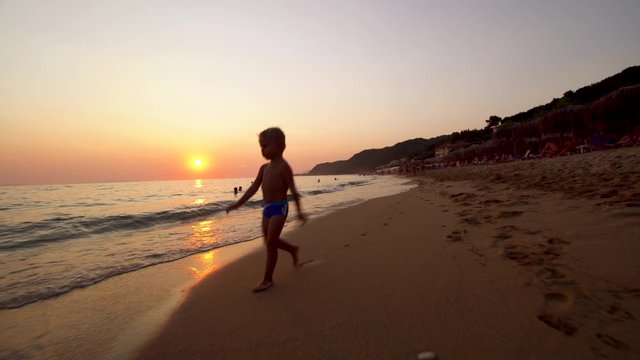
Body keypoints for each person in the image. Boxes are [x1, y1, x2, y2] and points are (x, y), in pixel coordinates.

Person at [226, 127, 308, 292]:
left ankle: (268, 279)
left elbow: (293, 191)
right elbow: (253, 188)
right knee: (270, 242)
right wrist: (238, 203)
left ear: (280, 146)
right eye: (261, 147)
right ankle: (292, 249)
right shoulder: (264, 168)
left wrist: (299, 212)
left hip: (280, 208)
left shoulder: (284, 168)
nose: (262, 150)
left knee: (271, 243)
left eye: (266, 146)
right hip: (267, 209)